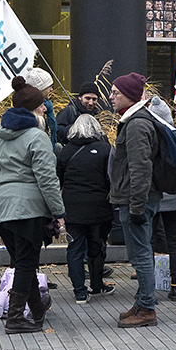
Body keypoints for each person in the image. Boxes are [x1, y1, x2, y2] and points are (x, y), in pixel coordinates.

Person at [0, 76, 65, 334]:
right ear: (32, 110)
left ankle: (38, 310)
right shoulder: (36, 136)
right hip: (28, 209)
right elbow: (47, 178)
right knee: (26, 261)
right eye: (42, 106)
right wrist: (59, 211)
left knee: (22, 261)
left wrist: (3, 187)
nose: (45, 109)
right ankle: (16, 317)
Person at [108, 72, 161, 329]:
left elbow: (141, 167)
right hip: (135, 197)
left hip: (137, 199)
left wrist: (137, 206)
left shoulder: (137, 124)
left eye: (115, 93)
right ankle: (142, 302)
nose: (111, 97)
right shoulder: (133, 120)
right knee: (140, 253)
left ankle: (147, 308)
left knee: (140, 255)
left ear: (129, 95)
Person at [56, 113, 115, 303]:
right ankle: (97, 285)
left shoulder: (65, 152)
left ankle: (80, 291)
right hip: (100, 208)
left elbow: (58, 181)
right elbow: (111, 179)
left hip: (72, 209)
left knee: (74, 248)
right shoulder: (106, 149)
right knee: (97, 246)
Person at [147, 97, 176, 302]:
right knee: (174, 242)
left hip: (153, 194)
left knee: (149, 241)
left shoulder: (149, 135)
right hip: (174, 194)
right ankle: (175, 286)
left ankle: (149, 287)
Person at [24, 66, 58, 147]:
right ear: (40, 88)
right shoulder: (30, 112)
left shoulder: (47, 107)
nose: (51, 89)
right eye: (49, 86)